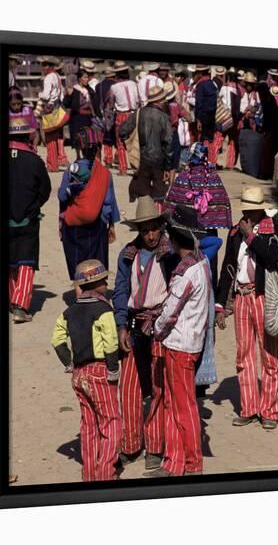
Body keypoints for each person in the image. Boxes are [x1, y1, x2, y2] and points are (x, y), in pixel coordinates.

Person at [113, 196, 179, 471]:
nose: (150, 235)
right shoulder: (128, 255)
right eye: (145, 230)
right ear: (138, 231)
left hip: (161, 326)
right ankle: (130, 444)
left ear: (160, 227)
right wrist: (120, 326)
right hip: (133, 324)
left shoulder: (170, 254)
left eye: (154, 228)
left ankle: (155, 446)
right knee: (128, 388)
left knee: (157, 388)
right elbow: (120, 291)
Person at [146, 205, 211, 477]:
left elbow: (170, 312)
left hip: (180, 346)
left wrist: (155, 329)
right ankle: (176, 460)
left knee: (182, 406)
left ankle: (191, 463)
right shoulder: (202, 262)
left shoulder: (186, 272)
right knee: (179, 404)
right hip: (191, 342)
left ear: (174, 238)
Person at [215, 186, 278, 430]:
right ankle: (250, 407)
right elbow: (228, 268)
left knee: (269, 354)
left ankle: (270, 410)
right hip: (242, 297)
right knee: (244, 355)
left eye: (251, 208)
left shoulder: (271, 230)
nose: (247, 212)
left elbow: (271, 258)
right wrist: (221, 305)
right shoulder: (235, 233)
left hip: (262, 296)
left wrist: (251, 238)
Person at [51, 259, 121, 481]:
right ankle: (106, 472)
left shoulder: (68, 312)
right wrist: (113, 368)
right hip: (100, 372)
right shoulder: (104, 310)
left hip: (79, 374)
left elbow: (57, 339)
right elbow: (110, 342)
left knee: (88, 424)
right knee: (111, 422)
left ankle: (89, 472)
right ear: (97, 283)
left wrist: (68, 362)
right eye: (103, 281)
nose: (106, 284)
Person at [163, 142, 232, 291]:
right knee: (208, 266)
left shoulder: (182, 178)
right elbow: (223, 203)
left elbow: (169, 208)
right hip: (207, 234)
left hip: (184, 234)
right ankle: (209, 297)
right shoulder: (214, 178)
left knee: (183, 267)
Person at [58, 127, 120, 281]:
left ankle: (80, 296)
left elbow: (62, 197)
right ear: (97, 148)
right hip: (97, 225)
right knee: (96, 264)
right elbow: (109, 203)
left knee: (78, 265)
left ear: (79, 149)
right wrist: (111, 226)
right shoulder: (105, 173)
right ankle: (97, 296)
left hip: (73, 228)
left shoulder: (71, 171)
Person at [8, 116, 52, 322]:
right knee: (26, 261)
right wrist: (34, 207)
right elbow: (45, 190)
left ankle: (10, 299)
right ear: (27, 136)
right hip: (28, 219)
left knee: (9, 260)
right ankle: (20, 306)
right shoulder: (34, 160)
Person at [119, 85, 175, 205]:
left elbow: (122, 131)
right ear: (159, 101)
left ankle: (144, 218)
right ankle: (156, 219)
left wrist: (130, 147)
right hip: (159, 162)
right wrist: (167, 167)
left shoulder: (138, 113)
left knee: (143, 193)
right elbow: (169, 144)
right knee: (159, 194)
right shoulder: (164, 117)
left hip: (141, 159)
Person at [63, 68, 101, 160]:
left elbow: (95, 104)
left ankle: (86, 155)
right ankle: (78, 156)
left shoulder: (90, 91)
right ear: (80, 78)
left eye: (87, 77)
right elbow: (66, 103)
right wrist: (68, 94)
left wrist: (98, 116)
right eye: (85, 77)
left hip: (88, 118)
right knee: (77, 138)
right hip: (77, 117)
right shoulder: (74, 90)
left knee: (88, 138)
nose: (87, 79)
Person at [110, 60, 140, 175]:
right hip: (133, 114)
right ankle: (136, 167)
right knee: (134, 141)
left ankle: (123, 168)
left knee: (120, 143)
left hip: (121, 115)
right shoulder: (134, 84)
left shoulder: (114, 87)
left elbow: (111, 104)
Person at [37, 55, 65, 172]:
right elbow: (62, 95)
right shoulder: (57, 76)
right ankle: (56, 162)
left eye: (44, 65)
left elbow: (46, 95)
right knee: (55, 135)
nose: (42, 67)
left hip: (49, 108)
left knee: (49, 137)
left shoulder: (48, 78)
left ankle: (52, 165)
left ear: (49, 66)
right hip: (57, 107)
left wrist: (39, 94)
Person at [256, 82, 278, 180]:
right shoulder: (268, 99)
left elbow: (269, 118)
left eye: (260, 92)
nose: (259, 95)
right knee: (270, 152)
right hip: (275, 129)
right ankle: (268, 174)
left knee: (269, 152)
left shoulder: (267, 100)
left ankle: (267, 174)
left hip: (275, 130)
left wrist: (265, 130)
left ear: (262, 91)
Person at [218, 71, 242, 169]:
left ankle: (220, 161)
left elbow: (219, 99)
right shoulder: (238, 89)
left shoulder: (224, 88)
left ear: (228, 78)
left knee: (222, 139)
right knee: (232, 140)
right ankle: (231, 163)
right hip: (234, 117)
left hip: (224, 117)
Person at [193, 65, 218, 158]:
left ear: (200, 73)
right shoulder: (212, 84)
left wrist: (198, 119)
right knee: (210, 139)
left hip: (203, 116)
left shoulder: (201, 85)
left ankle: (202, 159)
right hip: (212, 115)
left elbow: (199, 103)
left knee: (202, 138)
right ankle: (210, 159)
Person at [95, 67, 117, 168]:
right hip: (114, 113)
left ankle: (108, 159)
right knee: (115, 136)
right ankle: (117, 158)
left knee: (106, 137)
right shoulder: (116, 85)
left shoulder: (98, 86)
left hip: (102, 113)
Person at [9, 87, 40, 151]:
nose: (16, 107)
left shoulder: (27, 111)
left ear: (22, 101)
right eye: (13, 104)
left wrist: (35, 145)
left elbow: (35, 131)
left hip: (26, 143)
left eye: (19, 103)